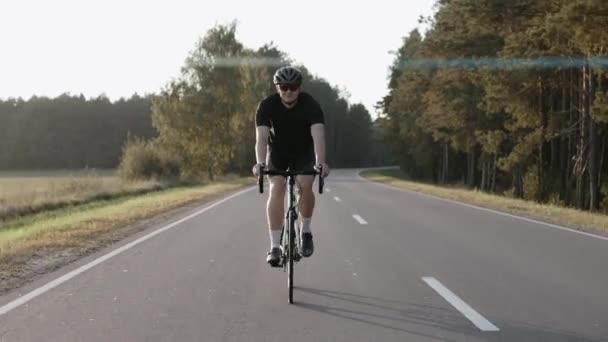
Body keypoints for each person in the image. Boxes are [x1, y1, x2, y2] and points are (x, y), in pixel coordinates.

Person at [252, 66, 330, 267]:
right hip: (278, 152)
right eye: (284, 87)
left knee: (305, 184)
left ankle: (305, 231)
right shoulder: (266, 106)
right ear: (277, 88)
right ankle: (275, 246)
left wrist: (320, 162)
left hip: (304, 152)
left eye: (293, 87)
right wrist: (260, 163)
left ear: (299, 88)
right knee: (276, 188)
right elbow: (261, 139)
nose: (288, 91)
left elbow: (318, 136)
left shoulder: (310, 104)